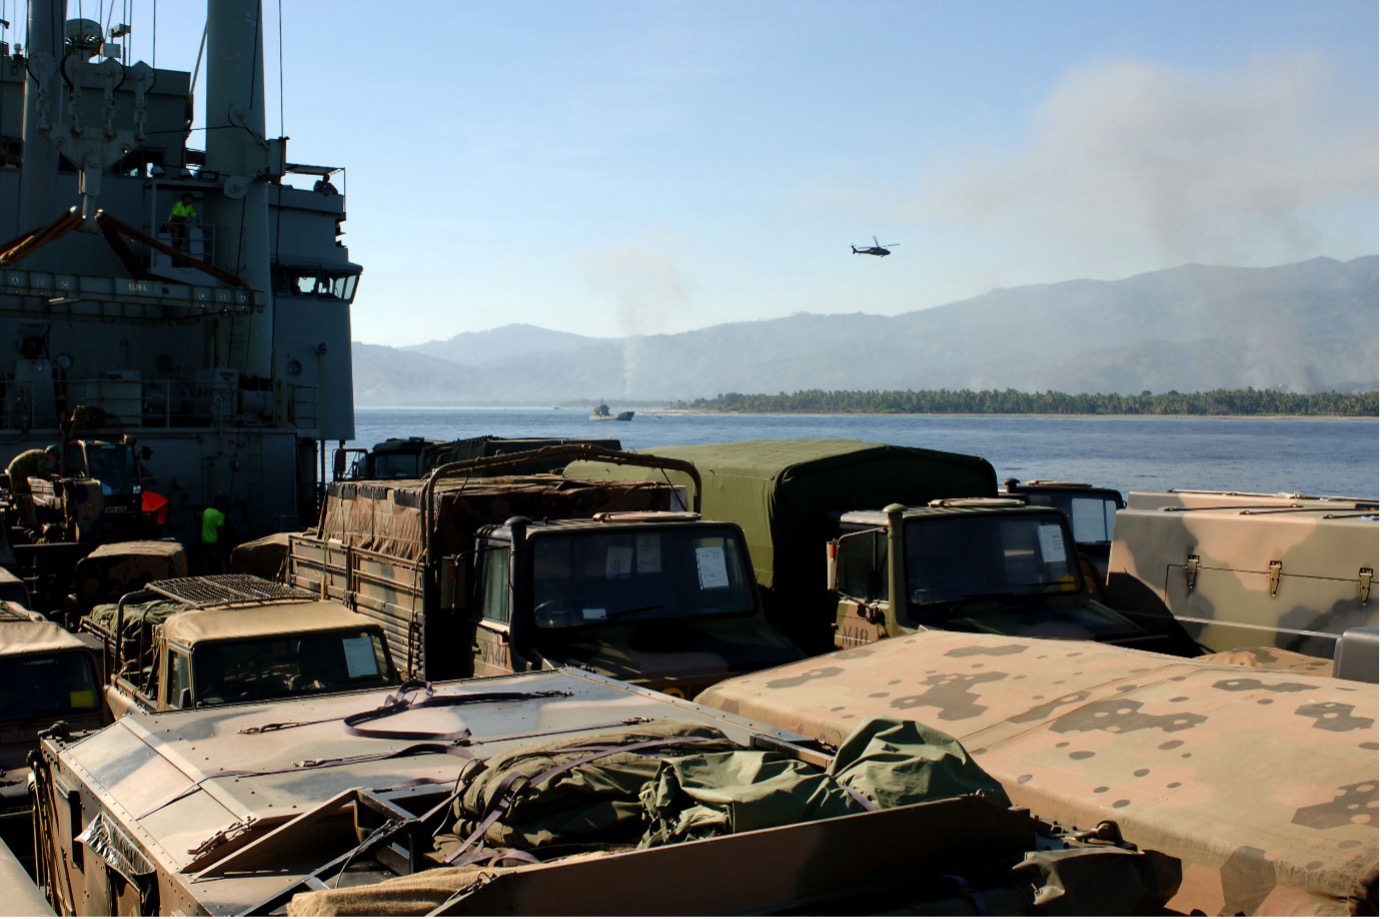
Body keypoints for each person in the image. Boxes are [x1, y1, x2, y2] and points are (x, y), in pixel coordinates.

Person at [5, 444, 59, 526]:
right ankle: (24, 520)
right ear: (51, 454)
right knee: (23, 495)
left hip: (18, 471)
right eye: (55, 457)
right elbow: (41, 472)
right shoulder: (43, 457)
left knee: (26, 494)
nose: (53, 460)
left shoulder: (41, 454)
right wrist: (53, 478)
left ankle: (24, 519)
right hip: (17, 472)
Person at [200, 492, 228, 575]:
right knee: (217, 567)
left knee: (207, 565)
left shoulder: (205, 512)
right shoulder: (219, 515)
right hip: (215, 544)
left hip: (204, 543)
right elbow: (220, 531)